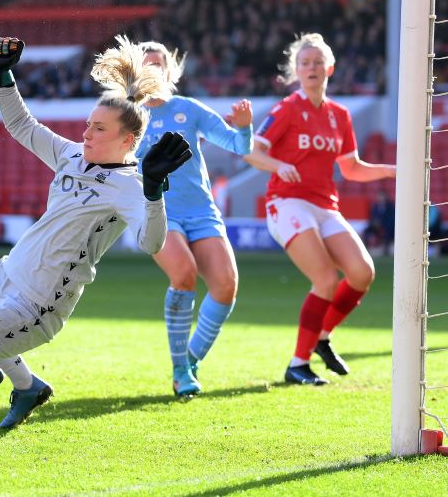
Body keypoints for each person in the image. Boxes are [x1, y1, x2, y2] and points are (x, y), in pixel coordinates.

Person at [0, 36, 192, 428]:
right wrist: (1, 74)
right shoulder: (73, 155)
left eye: (98, 129)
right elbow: (21, 124)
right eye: (88, 125)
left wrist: (152, 191)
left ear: (127, 140)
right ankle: (26, 386)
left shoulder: (130, 184)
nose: (86, 134)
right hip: (9, 271)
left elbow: (151, 242)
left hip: (37, 303)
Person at [244, 33, 396, 385]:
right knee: (326, 279)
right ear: (296, 71)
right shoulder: (286, 109)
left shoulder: (340, 115)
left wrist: (392, 170)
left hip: (324, 204)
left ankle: (321, 338)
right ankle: (298, 364)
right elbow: (253, 152)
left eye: (317, 62)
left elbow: (352, 168)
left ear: (330, 68)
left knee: (361, 273)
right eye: (304, 63)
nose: (311, 68)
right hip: (287, 201)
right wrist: (278, 166)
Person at [135, 41, 253, 397]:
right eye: (146, 65)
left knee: (226, 285)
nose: (153, 70)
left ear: (171, 72)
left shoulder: (189, 109)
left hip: (201, 211)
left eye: (159, 64)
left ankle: (188, 359)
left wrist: (245, 128)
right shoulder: (127, 114)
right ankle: (180, 371)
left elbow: (240, 147)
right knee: (183, 274)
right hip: (158, 210)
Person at [363, 189, 395, 255]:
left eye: (382, 196)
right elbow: (372, 217)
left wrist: (382, 223)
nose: (381, 198)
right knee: (367, 230)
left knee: (388, 229)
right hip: (377, 225)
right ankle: (366, 249)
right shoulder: (375, 206)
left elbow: (391, 218)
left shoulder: (390, 206)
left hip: (387, 225)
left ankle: (386, 249)